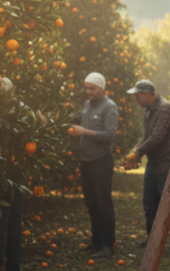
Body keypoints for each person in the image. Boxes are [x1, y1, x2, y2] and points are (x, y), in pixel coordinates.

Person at [124, 80, 170, 250]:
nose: (136, 98)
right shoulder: (149, 110)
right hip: (153, 163)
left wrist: (137, 153)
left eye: (138, 94)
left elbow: (157, 137)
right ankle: (153, 240)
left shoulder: (165, 108)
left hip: (168, 163)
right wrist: (134, 153)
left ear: (146, 93)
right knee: (149, 202)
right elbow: (146, 137)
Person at [68, 72, 119, 259]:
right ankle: (96, 241)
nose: (88, 91)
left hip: (101, 161)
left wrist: (85, 132)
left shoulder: (110, 107)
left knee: (103, 203)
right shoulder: (86, 105)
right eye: (86, 88)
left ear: (101, 88)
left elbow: (109, 136)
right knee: (91, 203)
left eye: (92, 88)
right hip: (86, 161)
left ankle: (108, 244)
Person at [0, 77, 29, 271]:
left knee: (6, 222)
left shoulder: (11, 111)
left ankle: (6, 265)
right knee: (5, 222)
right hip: (5, 172)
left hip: (8, 173)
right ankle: (4, 265)